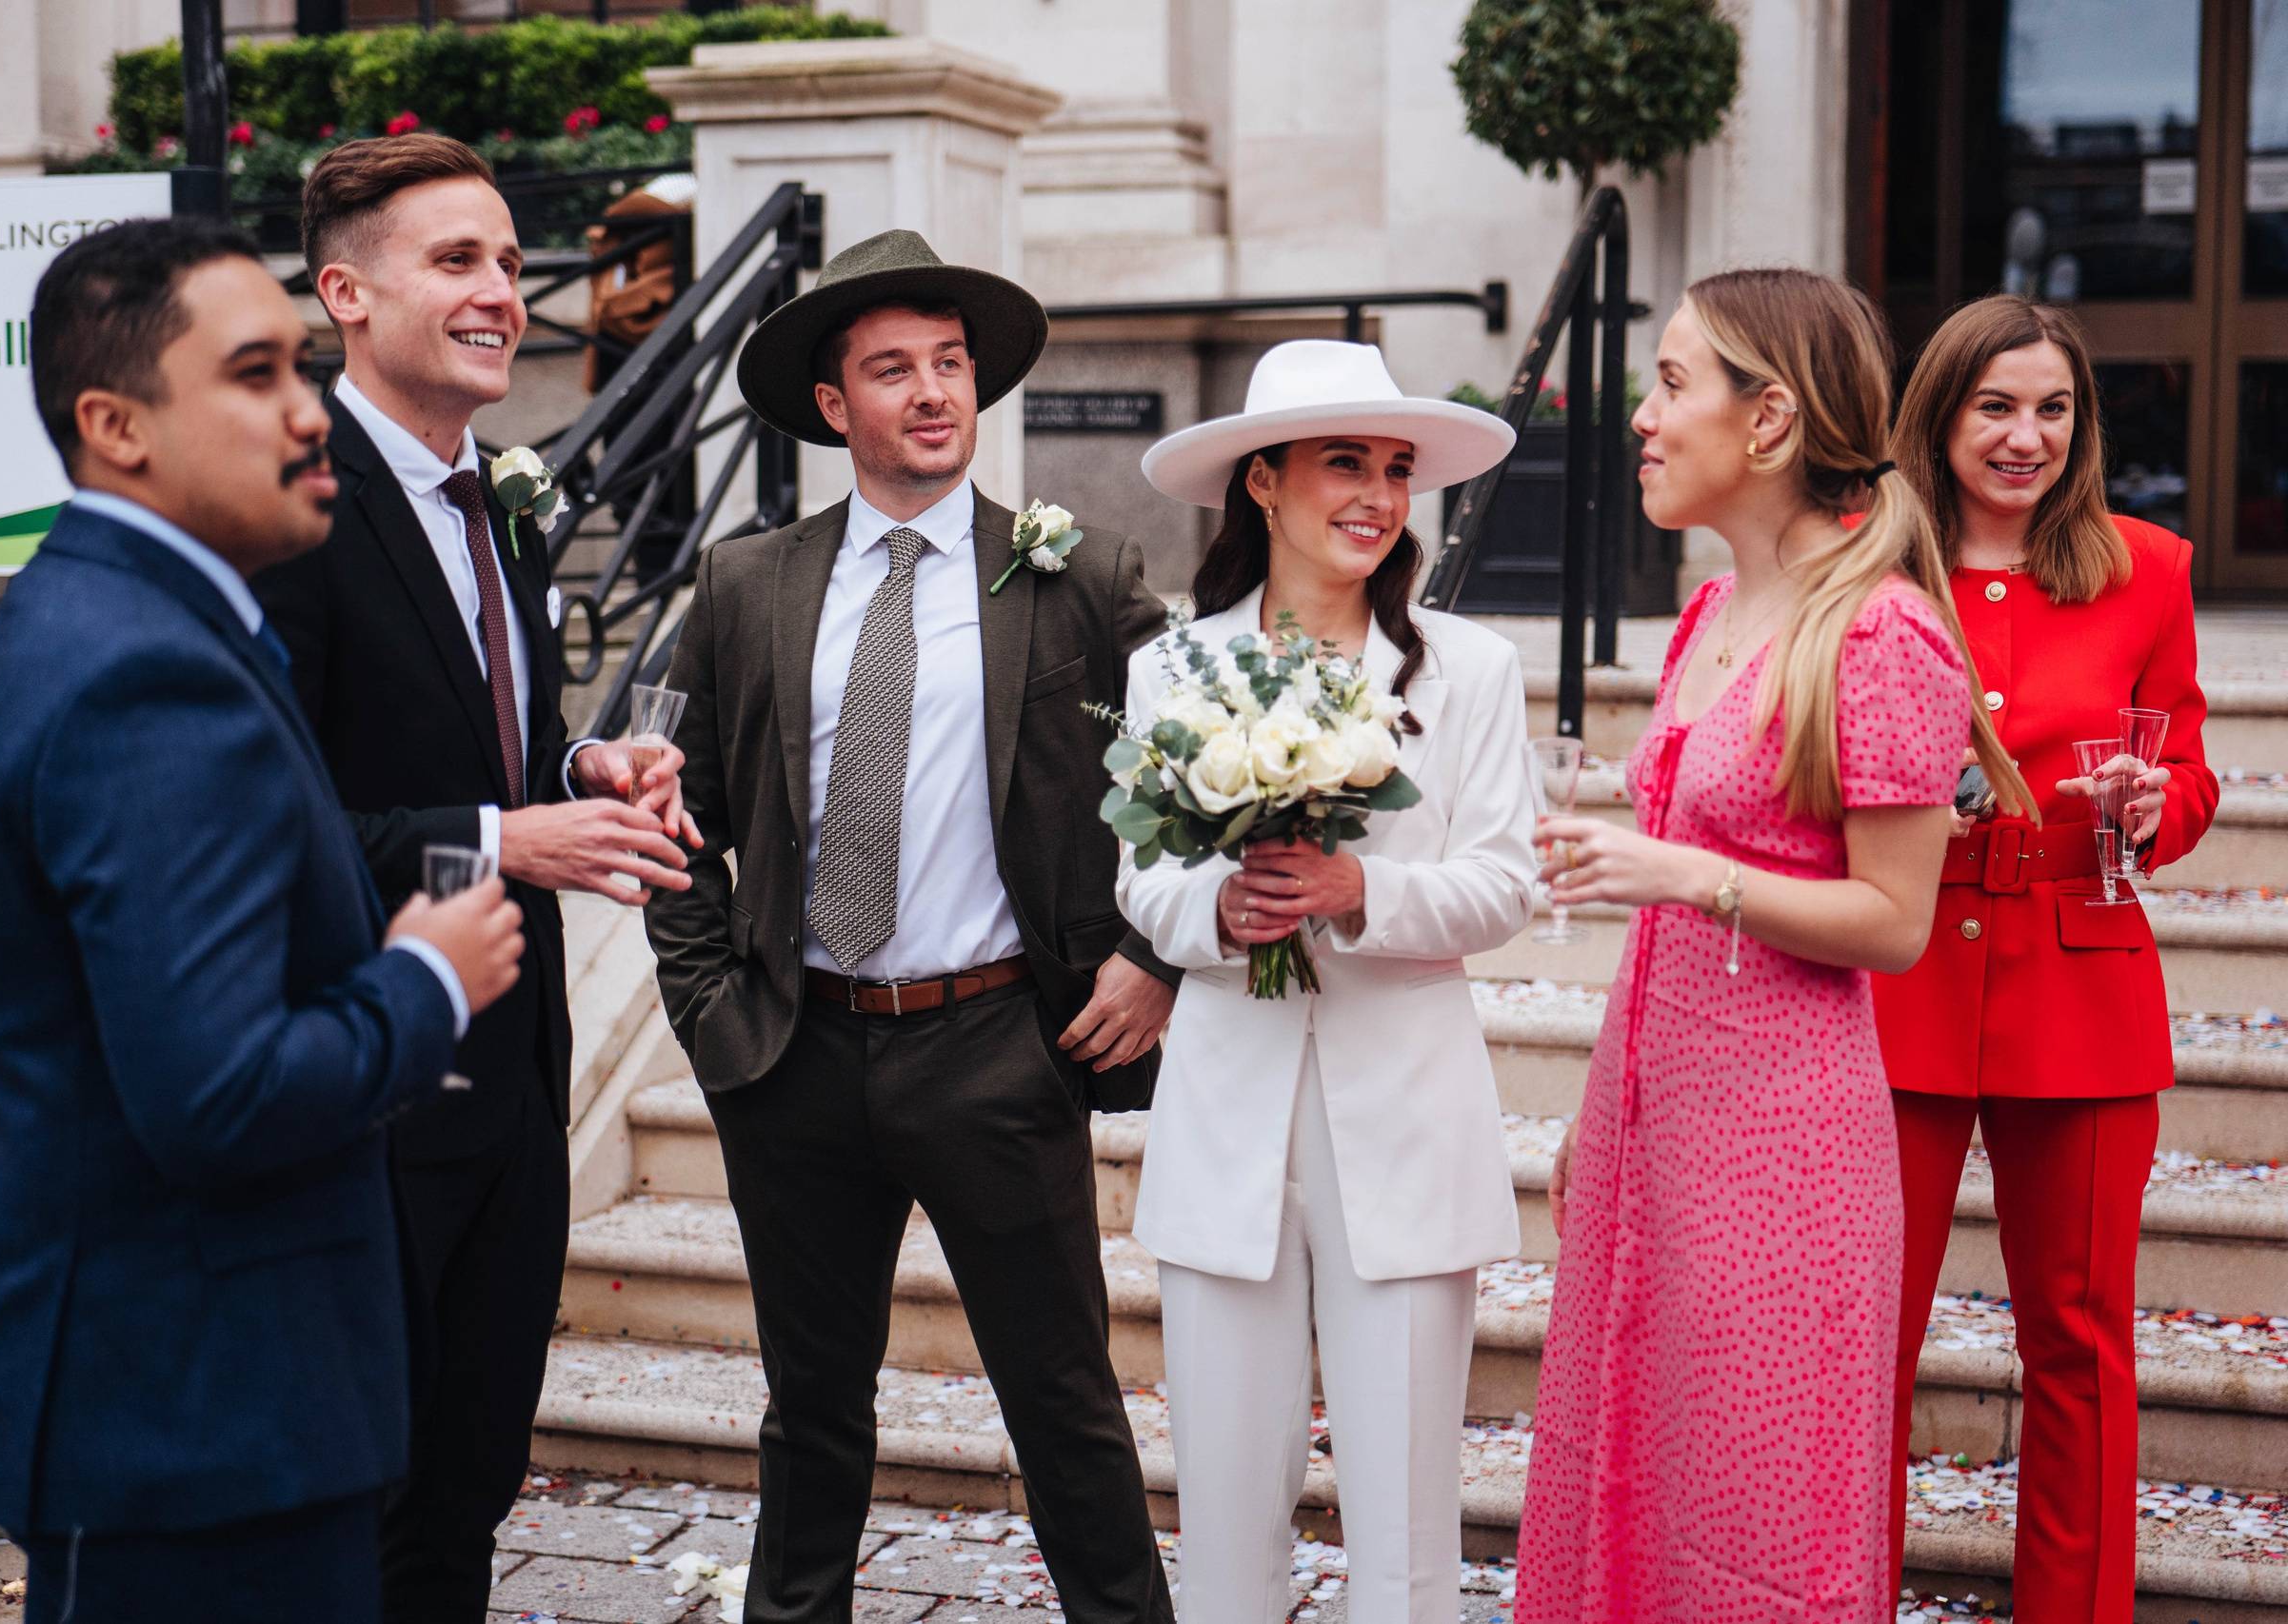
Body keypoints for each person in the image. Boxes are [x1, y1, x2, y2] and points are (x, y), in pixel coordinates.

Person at [0, 216, 525, 1621]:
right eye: (256, 374)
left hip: (191, 1400)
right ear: (115, 424)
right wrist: (422, 982)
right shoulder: (143, 673)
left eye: (305, 370)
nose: (310, 411)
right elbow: (219, 1095)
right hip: (191, 1409)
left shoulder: (130, 614)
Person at [645, 228, 1179, 1624]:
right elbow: (676, 814)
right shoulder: (746, 583)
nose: (933, 391)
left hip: (998, 1042)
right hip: (797, 1048)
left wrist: (1153, 952)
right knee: (811, 1405)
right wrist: (712, 1013)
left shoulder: (1076, 572)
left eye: (950, 364)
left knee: (1063, 1399)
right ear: (835, 407)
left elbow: (1190, 777)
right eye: (893, 369)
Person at [1513, 267, 2032, 1619]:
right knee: (1627, 1460)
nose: (1642, 413)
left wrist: (1689, 871)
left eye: (1673, 381)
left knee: (1752, 1499)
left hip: (1782, 1144)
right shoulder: (1703, 613)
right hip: (1652, 1116)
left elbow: (1898, 922)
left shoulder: (1885, 631)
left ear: (1771, 422)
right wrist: (1593, 1109)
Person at [250, 133, 690, 1624]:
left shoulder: (505, 504)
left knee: (467, 1482)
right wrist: (508, 840)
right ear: (346, 296)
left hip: (512, 1080)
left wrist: (583, 776)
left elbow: (510, 744)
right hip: (363, 1085)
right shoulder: (289, 509)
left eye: (509, 260)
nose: (503, 290)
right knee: (359, 1499)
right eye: (458, 260)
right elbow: (271, 822)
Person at [1115, 340, 1531, 1623]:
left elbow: (1505, 882)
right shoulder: (1174, 668)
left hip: (1404, 1122)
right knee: (1228, 1516)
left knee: (1405, 1522)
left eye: (1396, 468)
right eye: (1343, 461)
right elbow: (1140, 878)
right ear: (1264, 482)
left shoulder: (1469, 668)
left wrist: (1364, 896)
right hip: (1227, 1115)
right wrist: (1219, 909)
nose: (1376, 494)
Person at [1873, 295, 2216, 1622]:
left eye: (2053, 409)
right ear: (1941, 413)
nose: (2027, 436)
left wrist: (2153, 802)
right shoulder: (1867, 562)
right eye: (1996, 406)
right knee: (1867, 1344)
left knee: (2077, 1338)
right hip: (1901, 971)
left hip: (2081, 975)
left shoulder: (2152, 564)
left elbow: (2187, 772)